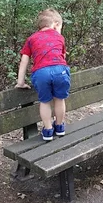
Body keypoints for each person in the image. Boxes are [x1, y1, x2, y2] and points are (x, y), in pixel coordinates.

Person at [15, 8, 70, 141]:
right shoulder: (59, 37)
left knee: (45, 102)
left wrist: (20, 82)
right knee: (59, 99)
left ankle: (48, 130)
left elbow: (24, 61)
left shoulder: (31, 39)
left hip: (41, 73)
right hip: (60, 70)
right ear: (56, 24)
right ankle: (60, 127)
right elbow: (62, 56)